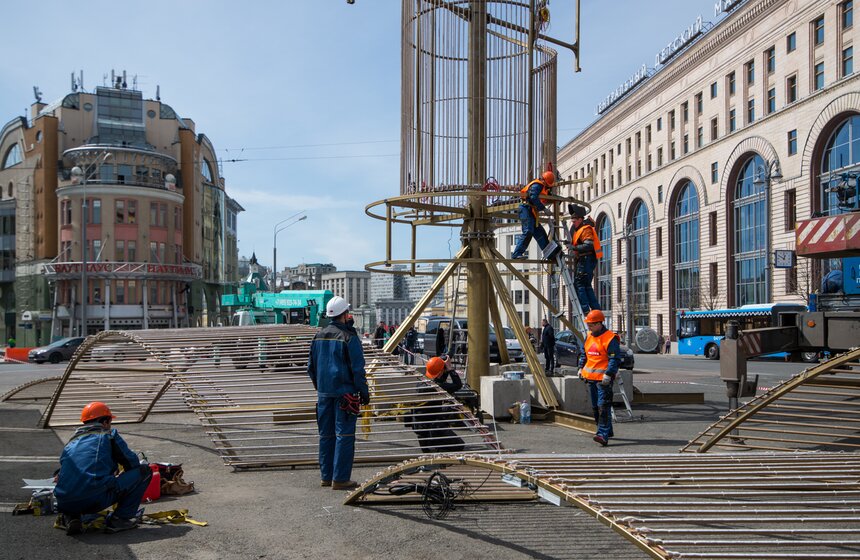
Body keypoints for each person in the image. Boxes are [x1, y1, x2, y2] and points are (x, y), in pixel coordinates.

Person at [54, 402, 153, 535]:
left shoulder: (70, 443)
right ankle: (120, 519)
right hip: (94, 498)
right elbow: (132, 463)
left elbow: (64, 472)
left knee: (77, 486)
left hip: (64, 502)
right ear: (105, 422)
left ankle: (72, 517)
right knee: (144, 471)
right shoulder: (109, 436)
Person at [307, 296, 369, 490]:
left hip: (324, 394)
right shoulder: (349, 337)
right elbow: (358, 369)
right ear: (345, 315)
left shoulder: (318, 336)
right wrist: (364, 392)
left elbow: (310, 368)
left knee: (326, 435)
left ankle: (326, 476)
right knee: (344, 435)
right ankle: (340, 479)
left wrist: (321, 388)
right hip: (345, 394)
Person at [577, 309, 620, 447]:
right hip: (591, 378)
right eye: (588, 324)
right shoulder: (589, 336)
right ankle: (607, 431)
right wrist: (580, 368)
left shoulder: (610, 338)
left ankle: (602, 434)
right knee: (596, 407)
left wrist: (609, 373)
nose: (589, 327)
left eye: (591, 324)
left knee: (603, 406)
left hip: (603, 380)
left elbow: (614, 359)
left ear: (599, 323)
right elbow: (585, 353)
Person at [406, 356, 465, 453]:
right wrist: (450, 369)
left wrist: (442, 368)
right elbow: (458, 385)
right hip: (432, 426)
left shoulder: (422, 382)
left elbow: (440, 380)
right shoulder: (437, 386)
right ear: (441, 372)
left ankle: (429, 443)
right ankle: (438, 449)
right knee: (459, 445)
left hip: (419, 425)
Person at [511, 171, 560, 260]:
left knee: (540, 233)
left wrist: (557, 199)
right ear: (546, 182)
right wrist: (544, 209)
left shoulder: (542, 186)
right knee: (528, 230)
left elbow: (548, 195)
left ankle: (549, 254)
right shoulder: (538, 185)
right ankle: (516, 254)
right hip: (526, 209)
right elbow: (533, 196)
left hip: (530, 210)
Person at [568, 204, 603, 314]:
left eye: (574, 221)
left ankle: (586, 310)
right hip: (586, 259)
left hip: (586, 259)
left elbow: (589, 245)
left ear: (580, 219)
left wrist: (574, 247)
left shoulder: (585, 229)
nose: (573, 224)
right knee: (586, 286)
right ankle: (595, 310)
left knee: (579, 284)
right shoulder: (581, 229)